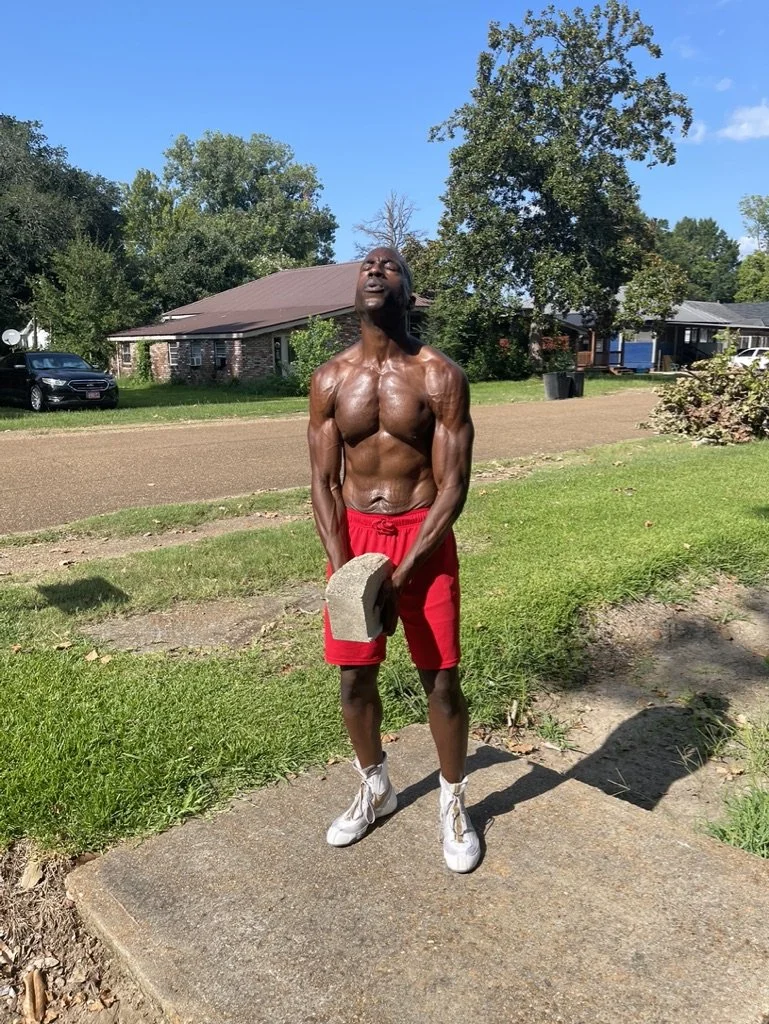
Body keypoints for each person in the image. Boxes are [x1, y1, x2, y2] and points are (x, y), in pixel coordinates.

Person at [307, 247, 479, 873]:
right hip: (354, 537)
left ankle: (453, 801)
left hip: (422, 536)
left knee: (441, 679)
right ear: (354, 289)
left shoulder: (439, 376)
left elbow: (454, 485)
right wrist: (347, 571)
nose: (376, 270)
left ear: (408, 290)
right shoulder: (329, 379)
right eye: (367, 266)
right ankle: (376, 787)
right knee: (354, 678)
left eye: (391, 266)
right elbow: (323, 482)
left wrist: (401, 575)